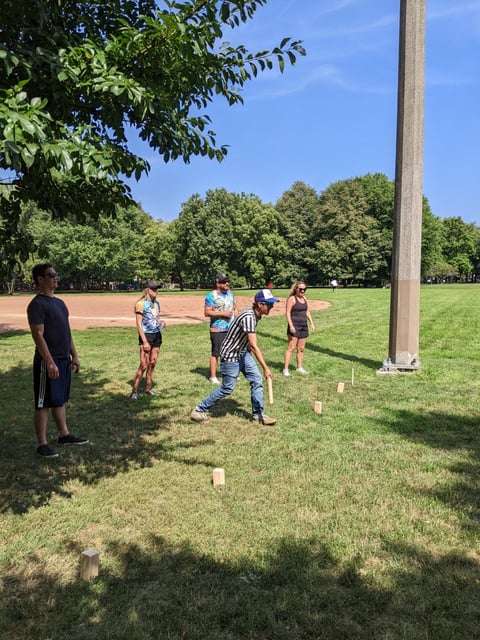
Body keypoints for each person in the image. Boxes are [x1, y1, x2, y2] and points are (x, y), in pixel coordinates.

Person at [191, 289, 279, 426]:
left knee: (256, 380)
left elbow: (246, 340)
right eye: (269, 304)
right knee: (227, 388)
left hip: (242, 352)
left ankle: (259, 415)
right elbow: (254, 346)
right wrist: (266, 368)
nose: (272, 307)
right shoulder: (249, 317)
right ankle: (199, 409)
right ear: (260, 304)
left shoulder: (255, 315)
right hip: (230, 355)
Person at [27, 263, 89, 458]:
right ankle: (42, 444)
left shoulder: (60, 303)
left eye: (55, 274)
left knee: (60, 399)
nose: (55, 277)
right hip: (48, 362)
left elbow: (67, 332)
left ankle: (64, 434)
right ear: (40, 279)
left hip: (63, 359)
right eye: (51, 274)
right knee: (43, 402)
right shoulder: (37, 304)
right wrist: (49, 361)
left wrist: (75, 355)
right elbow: (38, 336)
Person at [130, 280, 165, 399]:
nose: (156, 291)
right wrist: (144, 341)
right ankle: (134, 391)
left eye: (157, 289)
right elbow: (139, 324)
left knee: (153, 363)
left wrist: (162, 324)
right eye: (153, 289)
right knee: (144, 364)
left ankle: (148, 389)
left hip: (156, 335)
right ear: (147, 290)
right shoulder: (140, 304)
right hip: (146, 336)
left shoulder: (157, 304)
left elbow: (157, 318)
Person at [204, 273, 237, 384]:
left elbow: (235, 308)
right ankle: (213, 376)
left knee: (230, 352)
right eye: (223, 282)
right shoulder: (211, 296)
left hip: (230, 328)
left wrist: (236, 320)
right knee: (216, 353)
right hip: (217, 329)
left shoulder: (231, 294)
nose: (227, 283)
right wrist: (223, 313)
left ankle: (230, 373)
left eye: (227, 281)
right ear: (218, 283)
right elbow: (207, 312)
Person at [283, 281, 315, 376]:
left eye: (304, 289)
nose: (302, 291)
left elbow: (307, 312)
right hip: (295, 325)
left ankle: (299, 367)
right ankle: (285, 369)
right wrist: (291, 325)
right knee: (291, 347)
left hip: (303, 326)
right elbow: (287, 313)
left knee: (301, 348)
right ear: (296, 289)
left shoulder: (304, 298)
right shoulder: (292, 299)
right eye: (300, 289)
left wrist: (311, 323)